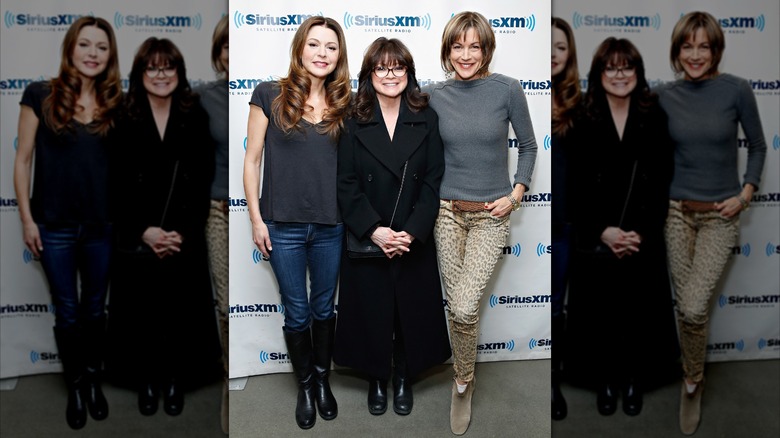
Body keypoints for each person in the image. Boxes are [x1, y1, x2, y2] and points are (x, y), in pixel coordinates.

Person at [424, 11, 538, 435]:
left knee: (466, 305)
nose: (466, 54)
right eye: (458, 45)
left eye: (475, 45)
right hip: (446, 214)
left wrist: (516, 194)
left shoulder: (507, 89)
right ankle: (464, 373)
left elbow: (528, 147)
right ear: (447, 50)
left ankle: (463, 380)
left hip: (492, 215)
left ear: (487, 48)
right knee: (458, 307)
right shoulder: (435, 94)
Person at [656, 11, 767, 435]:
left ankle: (692, 379)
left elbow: (757, 146)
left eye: (704, 45)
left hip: (720, 217)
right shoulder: (666, 95)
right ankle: (691, 372)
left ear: (716, 49)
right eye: (688, 45)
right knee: (689, 309)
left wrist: (746, 193)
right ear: (677, 51)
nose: (696, 54)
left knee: (692, 306)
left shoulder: (736, 90)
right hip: (675, 215)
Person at [242, 16, 351, 430]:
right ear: (299, 48)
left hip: (330, 225)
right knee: (297, 312)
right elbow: (252, 162)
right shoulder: (269, 93)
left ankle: (323, 382)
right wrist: (256, 219)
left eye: (331, 47)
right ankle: (305, 386)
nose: (322, 54)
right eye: (314, 45)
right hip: (281, 226)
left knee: (324, 308)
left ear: (339, 56)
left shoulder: (346, 103)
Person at [13, 16, 122, 430]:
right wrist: (27, 220)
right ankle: (75, 385)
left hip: (102, 227)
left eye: (101, 47)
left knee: (96, 310)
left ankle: (93, 380)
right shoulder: (40, 93)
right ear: (70, 49)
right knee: (68, 312)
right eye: (85, 45)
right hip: (53, 226)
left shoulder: (116, 103)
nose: (92, 54)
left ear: (110, 56)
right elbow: (23, 161)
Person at [333, 37, 451, 418]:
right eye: (381, 68)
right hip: (371, 235)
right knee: (372, 309)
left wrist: (411, 232)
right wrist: (375, 230)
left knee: (409, 311)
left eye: (398, 67)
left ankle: (402, 375)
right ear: (369, 74)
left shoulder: (426, 115)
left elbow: (434, 180)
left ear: (408, 72)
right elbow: (346, 182)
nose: (390, 75)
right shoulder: (353, 117)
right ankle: (375, 377)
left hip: (410, 234)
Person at [566, 37, 680, 418]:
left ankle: (633, 380)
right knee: (599, 315)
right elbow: (576, 183)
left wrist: (640, 233)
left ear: (638, 71)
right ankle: (605, 381)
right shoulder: (582, 114)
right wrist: (603, 230)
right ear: (598, 74)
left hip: (640, 236)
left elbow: (663, 177)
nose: (619, 75)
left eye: (626, 67)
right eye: (610, 67)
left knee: (639, 314)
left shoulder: (655, 113)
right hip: (597, 237)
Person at [106, 37, 220, 418]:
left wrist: (180, 233)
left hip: (181, 235)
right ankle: (147, 381)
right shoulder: (123, 114)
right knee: (140, 314)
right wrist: (145, 230)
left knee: (180, 313)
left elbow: (203, 177)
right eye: (152, 67)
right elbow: (115, 183)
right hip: (138, 236)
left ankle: (174, 380)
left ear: (179, 72)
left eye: (167, 67)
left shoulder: (194, 112)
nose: (160, 75)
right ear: (140, 74)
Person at [193, 14, 229, 434]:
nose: (231, 56)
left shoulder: (273, 93)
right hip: (219, 210)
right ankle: (226, 374)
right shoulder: (202, 98)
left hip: (263, 211)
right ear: (218, 54)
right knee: (226, 303)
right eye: (225, 48)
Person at [550, 16, 582, 422]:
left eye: (560, 46)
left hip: (566, 224)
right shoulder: (516, 94)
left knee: (558, 306)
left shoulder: (581, 103)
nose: (553, 54)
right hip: (524, 218)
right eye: (546, 45)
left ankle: (554, 380)